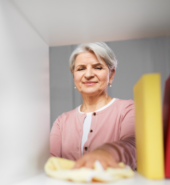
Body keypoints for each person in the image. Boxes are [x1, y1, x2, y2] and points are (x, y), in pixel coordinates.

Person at [50, 42, 136, 170]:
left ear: (111, 75)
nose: (88, 74)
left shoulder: (128, 109)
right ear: (74, 76)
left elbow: (134, 145)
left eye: (97, 67)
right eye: (81, 69)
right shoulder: (61, 122)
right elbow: (49, 162)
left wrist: (106, 152)